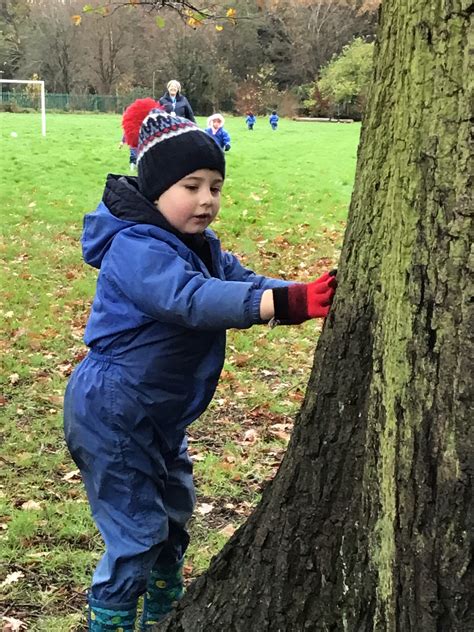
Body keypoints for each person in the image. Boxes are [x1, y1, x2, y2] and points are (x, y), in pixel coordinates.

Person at [63, 99, 337, 632]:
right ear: (157, 188)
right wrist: (285, 306)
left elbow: (245, 282)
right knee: (138, 530)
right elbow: (190, 298)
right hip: (112, 409)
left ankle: (165, 612)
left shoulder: (200, 244)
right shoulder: (134, 246)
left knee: (174, 513)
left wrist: (301, 294)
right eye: (191, 186)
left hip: (161, 412)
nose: (206, 200)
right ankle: (113, 620)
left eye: (215, 186)